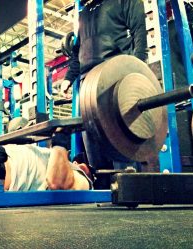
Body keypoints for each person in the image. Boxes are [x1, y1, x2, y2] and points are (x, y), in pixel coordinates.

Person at [60, 0, 148, 169]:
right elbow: (77, 51)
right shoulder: (84, 13)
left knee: (121, 154)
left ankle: (127, 192)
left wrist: (138, 72)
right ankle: (101, 190)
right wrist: (68, 79)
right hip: (88, 85)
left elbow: (139, 34)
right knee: (95, 156)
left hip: (114, 79)